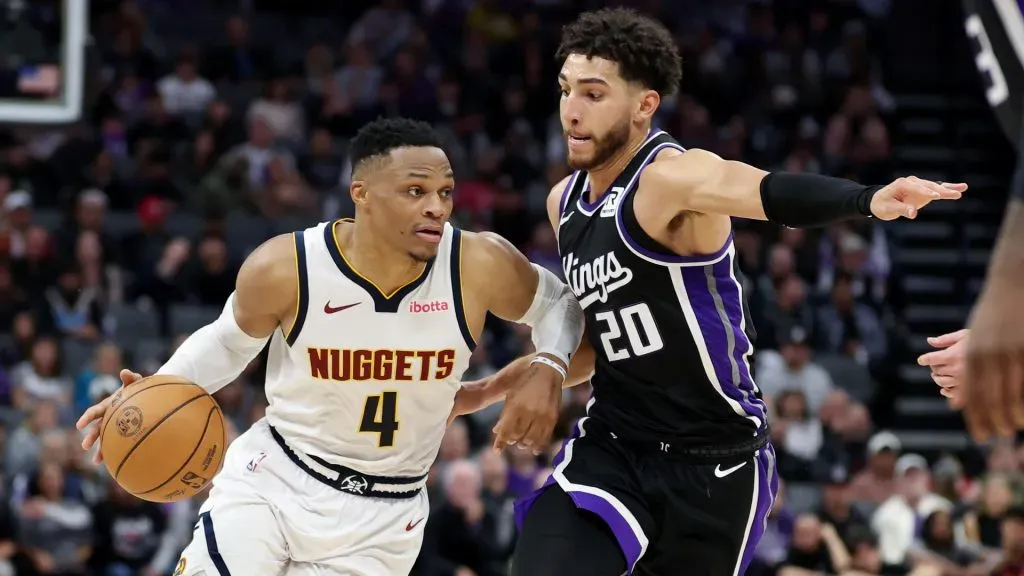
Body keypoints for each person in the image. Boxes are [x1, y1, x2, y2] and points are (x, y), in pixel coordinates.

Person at [451, 8, 964, 576]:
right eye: (566, 89)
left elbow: (764, 191)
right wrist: (489, 389)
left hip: (715, 461)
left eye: (593, 94)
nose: (571, 109)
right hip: (615, 444)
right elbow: (603, 345)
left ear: (644, 105)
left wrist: (866, 199)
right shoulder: (563, 202)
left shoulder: (670, 178)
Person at [75, 117, 585, 575]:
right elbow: (227, 344)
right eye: (415, 190)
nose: (436, 206)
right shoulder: (288, 266)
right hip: (275, 480)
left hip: (385, 517)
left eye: (445, 192)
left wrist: (549, 364)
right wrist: (156, 389)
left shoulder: (477, 263)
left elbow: (561, 305)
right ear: (361, 193)